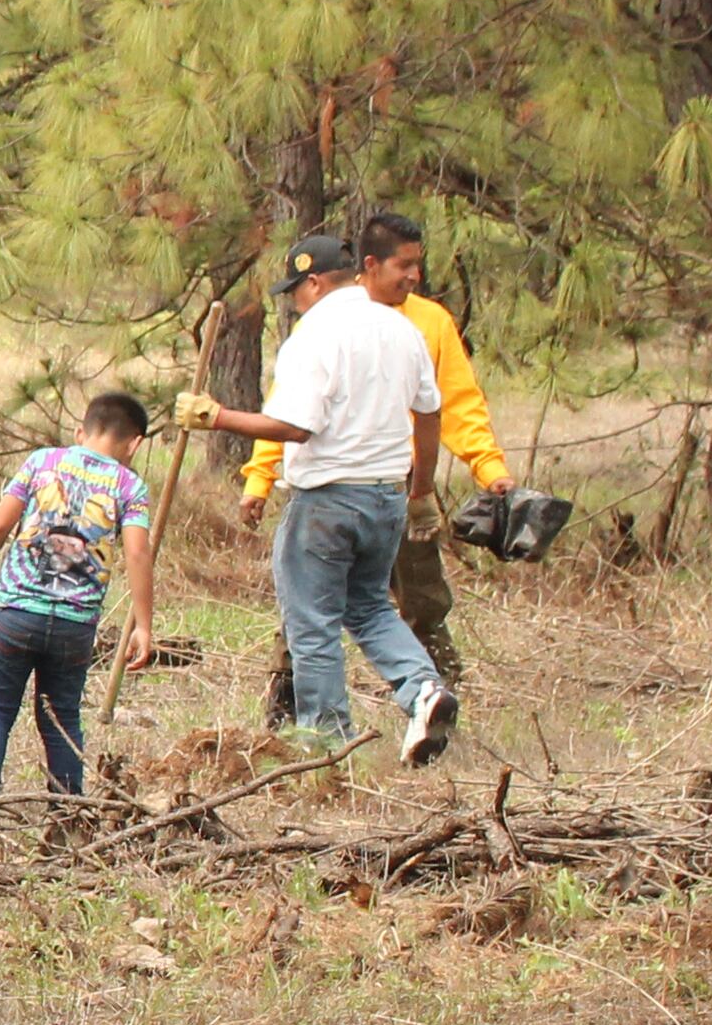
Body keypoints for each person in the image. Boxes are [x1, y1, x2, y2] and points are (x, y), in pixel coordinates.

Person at [185, 234, 452, 766]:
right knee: (371, 606)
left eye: (296, 293)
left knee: (312, 624)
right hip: (385, 497)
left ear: (314, 282)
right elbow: (429, 413)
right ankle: (423, 690)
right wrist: (421, 488)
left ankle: (326, 746)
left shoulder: (315, 335)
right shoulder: (401, 329)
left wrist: (215, 417)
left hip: (327, 500)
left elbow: (295, 427)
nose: (295, 303)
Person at [243, 210, 508, 720]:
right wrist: (260, 476)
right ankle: (400, 695)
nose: (412, 277)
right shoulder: (368, 327)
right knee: (343, 611)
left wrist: (482, 471)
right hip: (378, 494)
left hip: (367, 492)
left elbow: (456, 403)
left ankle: (348, 729)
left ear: (315, 283)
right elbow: (293, 406)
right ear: (368, 266)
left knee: (395, 607)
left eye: (417, 267)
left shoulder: (418, 323)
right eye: (403, 266)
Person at [0, 393, 161, 798]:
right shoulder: (130, 486)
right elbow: (137, 552)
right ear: (135, 444)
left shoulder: (42, 462)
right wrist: (143, 626)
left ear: (80, 431)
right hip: (74, 624)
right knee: (61, 713)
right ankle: (67, 806)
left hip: (15, 612)